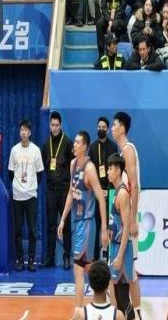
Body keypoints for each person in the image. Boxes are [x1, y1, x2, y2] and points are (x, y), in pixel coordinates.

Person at [58, 131, 109, 317]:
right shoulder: (73, 164)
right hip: (76, 222)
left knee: (78, 270)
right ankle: (108, 293)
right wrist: (63, 219)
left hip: (87, 224)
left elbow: (101, 198)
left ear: (85, 146)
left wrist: (104, 228)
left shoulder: (89, 169)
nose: (74, 144)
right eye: (74, 142)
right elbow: (71, 194)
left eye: (78, 142)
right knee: (89, 267)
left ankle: (78, 313)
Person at [111, 112, 143, 320]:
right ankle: (128, 313)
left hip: (128, 217)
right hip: (122, 217)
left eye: (114, 125)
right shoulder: (122, 152)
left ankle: (137, 313)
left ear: (122, 128)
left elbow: (135, 185)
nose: (111, 128)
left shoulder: (128, 150)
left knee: (130, 274)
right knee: (127, 273)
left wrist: (132, 219)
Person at [8, 119, 44, 272]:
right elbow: (10, 173)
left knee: (32, 230)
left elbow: (40, 173)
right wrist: (19, 186)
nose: (23, 133)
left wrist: (30, 186)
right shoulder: (14, 150)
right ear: (19, 132)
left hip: (31, 196)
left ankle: (31, 260)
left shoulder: (35, 150)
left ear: (30, 132)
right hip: (17, 196)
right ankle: (20, 260)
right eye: (21, 130)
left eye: (26, 130)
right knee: (17, 230)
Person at [41, 111, 73, 269]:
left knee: (65, 224)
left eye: (56, 125)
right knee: (51, 224)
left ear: (60, 125)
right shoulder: (45, 144)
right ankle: (50, 257)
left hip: (64, 190)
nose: (54, 128)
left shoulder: (67, 142)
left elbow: (72, 165)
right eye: (52, 125)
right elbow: (44, 166)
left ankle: (67, 256)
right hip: (51, 190)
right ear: (49, 125)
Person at [107, 154, 137, 318]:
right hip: (115, 247)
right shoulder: (116, 191)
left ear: (118, 171)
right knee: (119, 296)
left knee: (123, 297)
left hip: (122, 250)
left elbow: (126, 228)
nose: (108, 172)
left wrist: (119, 256)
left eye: (110, 168)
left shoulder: (123, 194)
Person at [88, 117, 118, 259]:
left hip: (110, 191)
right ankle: (95, 256)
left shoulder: (113, 147)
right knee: (98, 224)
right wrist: (98, 190)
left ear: (107, 129)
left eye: (103, 127)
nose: (101, 129)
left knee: (110, 224)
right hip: (96, 192)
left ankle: (109, 255)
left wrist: (108, 189)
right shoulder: (92, 147)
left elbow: (116, 170)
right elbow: (90, 170)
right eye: (99, 127)